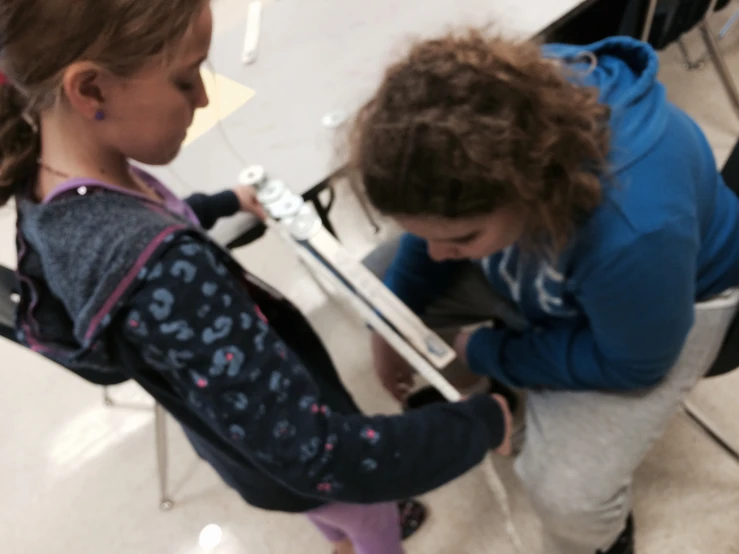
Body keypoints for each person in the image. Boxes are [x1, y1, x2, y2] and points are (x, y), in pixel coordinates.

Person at [0, 4, 513, 554]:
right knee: (369, 519)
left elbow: (151, 221)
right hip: (299, 464)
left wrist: (222, 203)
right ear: (93, 91)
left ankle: (340, 536)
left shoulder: (55, 186)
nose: (201, 97)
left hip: (240, 445)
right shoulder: (165, 274)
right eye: (185, 77)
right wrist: (481, 422)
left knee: (326, 509)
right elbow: (325, 457)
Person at [351, 31, 739, 554]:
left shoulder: (636, 229)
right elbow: (434, 231)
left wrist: (487, 351)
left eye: (462, 238)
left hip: (672, 303)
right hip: (585, 273)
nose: (439, 252)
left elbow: (635, 363)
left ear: (529, 187)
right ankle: (504, 383)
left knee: (565, 494)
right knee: (382, 278)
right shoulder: (512, 107)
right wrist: (390, 319)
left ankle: (603, 539)